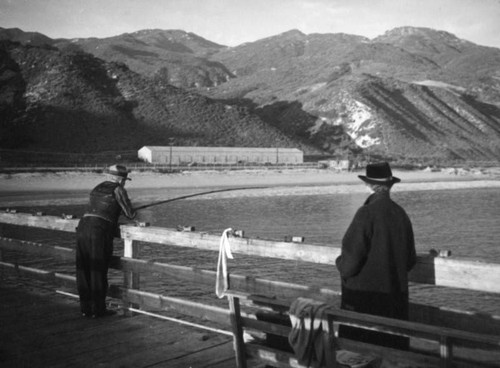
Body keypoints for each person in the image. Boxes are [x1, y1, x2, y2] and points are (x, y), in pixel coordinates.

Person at [335, 162, 416, 349]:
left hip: (365, 304)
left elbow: (349, 265)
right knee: (392, 354)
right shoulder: (401, 214)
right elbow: (410, 261)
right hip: (394, 304)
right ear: (390, 186)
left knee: (360, 354)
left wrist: (339, 262)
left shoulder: (366, 213)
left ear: (369, 185)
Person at [76, 164, 136, 318]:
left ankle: (85, 309)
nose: (124, 183)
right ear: (120, 179)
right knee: (98, 269)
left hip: (83, 227)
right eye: (124, 180)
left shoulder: (96, 188)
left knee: (84, 269)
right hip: (99, 230)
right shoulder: (118, 189)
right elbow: (130, 214)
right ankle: (99, 310)